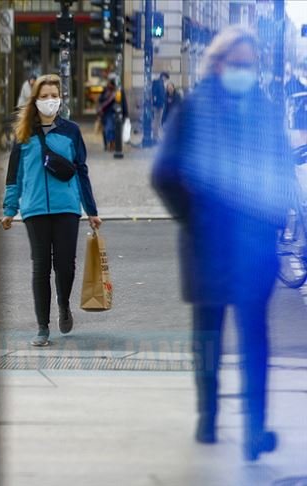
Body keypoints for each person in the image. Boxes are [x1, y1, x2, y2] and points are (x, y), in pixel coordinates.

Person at [151, 26, 297, 462]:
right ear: (217, 64)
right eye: (238, 63)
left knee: (255, 335)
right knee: (208, 334)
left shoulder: (267, 111)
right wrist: (194, 217)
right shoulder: (193, 110)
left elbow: (284, 172)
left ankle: (254, 430)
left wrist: (273, 220)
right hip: (207, 243)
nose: (245, 72)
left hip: (252, 247)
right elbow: (164, 174)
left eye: (250, 65)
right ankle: (208, 417)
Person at [1, 74, 103, 347]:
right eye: (44, 96)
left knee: (66, 265)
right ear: (35, 100)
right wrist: (10, 208)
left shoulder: (70, 131)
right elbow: (14, 175)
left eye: (53, 96)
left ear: (61, 99)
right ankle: (42, 327)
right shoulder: (23, 134)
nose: (50, 101)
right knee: (41, 267)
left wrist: (91, 210)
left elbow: (81, 171)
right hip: (34, 209)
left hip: (67, 207)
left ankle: (64, 305)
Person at [97, 74, 128, 151]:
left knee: (114, 130)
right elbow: (100, 100)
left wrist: (126, 114)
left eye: (110, 82)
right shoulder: (106, 90)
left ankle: (113, 144)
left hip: (116, 113)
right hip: (107, 114)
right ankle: (108, 144)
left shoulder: (119, 90)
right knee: (108, 129)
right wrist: (107, 96)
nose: (108, 84)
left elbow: (124, 102)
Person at [151, 71, 170, 142]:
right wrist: (157, 103)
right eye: (166, 78)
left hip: (159, 104)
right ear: (163, 76)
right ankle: (155, 136)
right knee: (157, 121)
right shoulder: (158, 82)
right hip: (158, 105)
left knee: (157, 121)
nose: (166, 80)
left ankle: (156, 135)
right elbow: (154, 94)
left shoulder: (159, 82)